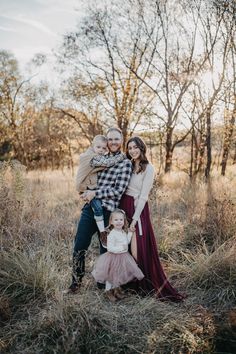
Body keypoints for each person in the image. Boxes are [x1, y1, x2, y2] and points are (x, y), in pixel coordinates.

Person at [68, 127, 133, 293]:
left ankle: (104, 284)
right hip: (90, 208)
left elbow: (118, 190)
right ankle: (76, 283)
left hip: (108, 212)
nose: (112, 142)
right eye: (110, 139)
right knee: (79, 245)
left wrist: (94, 193)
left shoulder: (125, 163)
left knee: (105, 249)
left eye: (116, 139)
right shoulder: (99, 157)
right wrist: (85, 191)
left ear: (121, 140)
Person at [120, 136, 184, 301]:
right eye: (130, 148)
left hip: (136, 209)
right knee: (123, 247)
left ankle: (142, 285)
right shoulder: (127, 164)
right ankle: (128, 285)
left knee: (136, 249)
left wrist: (134, 220)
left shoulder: (149, 168)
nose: (132, 150)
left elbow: (143, 197)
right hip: (122, 206)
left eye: (135, 147)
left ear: (142, 148)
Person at [75, 134, 125, 240]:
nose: (101, 150)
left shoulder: (96, 155)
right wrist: (121, 156)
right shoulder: (92, 158)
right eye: (98, 147)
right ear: (92, 146)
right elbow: (107, 163)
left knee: (97, 209)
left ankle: (102, 232)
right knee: (98, 209)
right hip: (87, 188)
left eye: (104, 148)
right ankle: (102, 232)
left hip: (93, 191)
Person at [92, 209, 144, 302]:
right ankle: (108, 291)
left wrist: (131, 233)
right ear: (111, 222)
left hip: (123, 257)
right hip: (113, 257)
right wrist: (121, 248)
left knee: (118, 274)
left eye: (121, 220)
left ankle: (116, 290)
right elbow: (110, 248)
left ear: (124, 221)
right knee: (111, 275)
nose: (119, 222)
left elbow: (126, 242)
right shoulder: (112, 234)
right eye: (116, 220)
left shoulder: (123, 232)